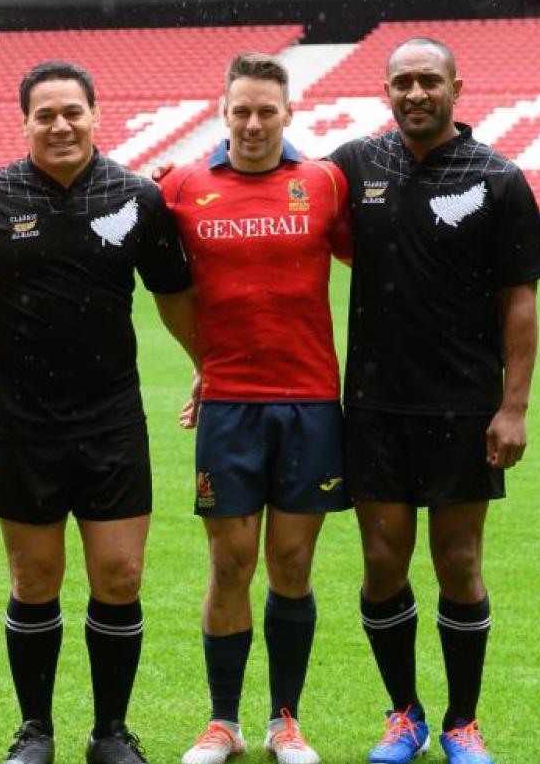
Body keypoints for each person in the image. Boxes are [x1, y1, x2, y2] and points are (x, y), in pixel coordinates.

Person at [0, 61, 197, 764]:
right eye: (45, 114)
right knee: (34, 581)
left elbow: (174, 292)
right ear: (24, 120)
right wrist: (6, 326)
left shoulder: (137, 197)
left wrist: (206, 367)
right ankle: (35, 731)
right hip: (22, 421)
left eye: (72, 112)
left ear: (96, 114)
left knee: (119, 576)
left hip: (112, 418)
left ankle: (110, 732)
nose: (60, 125)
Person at [327, 38, 540, 764]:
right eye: (404, 82)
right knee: (382, 562)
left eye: (430, 80)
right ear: (385, 90)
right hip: (373, 406)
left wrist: (513, 407)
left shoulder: (499, 177)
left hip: (463, 406)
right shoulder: (356, 165)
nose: (416, 93)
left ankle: (462, 722)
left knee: (458, 561)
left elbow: (519, 302)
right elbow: (283, 195)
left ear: (458, 86)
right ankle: (405, 716)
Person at [158, 52, 352, 764]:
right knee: (231, 564)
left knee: (292, 565)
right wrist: (203, 366)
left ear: (289, 114)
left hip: (308, 402)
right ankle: (223, 723)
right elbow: (163, 286)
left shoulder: (325, 183)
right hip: (231, 408)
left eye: (266, 110)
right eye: (241, 109)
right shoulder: (181, 186)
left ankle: (284, 722)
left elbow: (388, 261)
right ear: (223, 111)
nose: (252, 122)